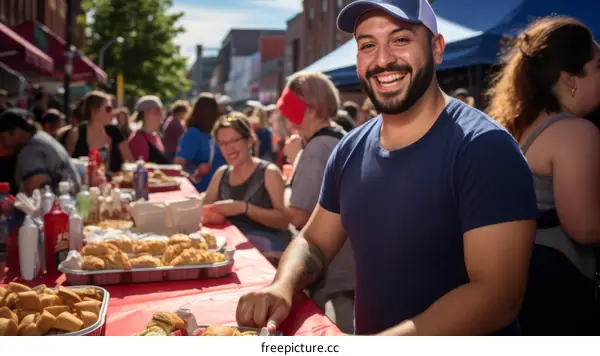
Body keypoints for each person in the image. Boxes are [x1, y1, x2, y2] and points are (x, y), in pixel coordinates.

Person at [236, 0, 539, 336]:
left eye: (401, 40)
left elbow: (498, 296)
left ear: (437, 49)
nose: (382, 60)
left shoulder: (484, 148)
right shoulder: (350, 148)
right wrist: (282, 285)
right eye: (368, 45)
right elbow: (315, 241)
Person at [486, 16, 600, 335]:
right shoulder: (575, 132)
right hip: (557, 290)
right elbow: (585, 226)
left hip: (518, 284)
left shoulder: (521, 127)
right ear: (570, 78)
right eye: (599, 67)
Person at [277, 71, 355, 333]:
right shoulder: (339, 135)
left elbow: (297, 215)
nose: (288, 122)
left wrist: (288, 172)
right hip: (353, 260)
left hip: (336, 265)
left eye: (291, 112)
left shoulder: (315, 149)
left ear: (310, 110)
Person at [203, 112, 289, 255]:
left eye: (234, 141)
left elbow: (284, 221)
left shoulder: (269, 172)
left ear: (249, 141)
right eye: (223, 143)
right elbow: (204, 212)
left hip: (269, 253)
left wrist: (244, 208)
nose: (229, 148)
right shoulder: (221, 174)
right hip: (231, 250)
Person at [0, 109, 80, 195]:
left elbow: (36, 195)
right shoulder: (41, 138)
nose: (3, 143)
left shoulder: (29, 152)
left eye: (3, 138)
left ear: (17, 132)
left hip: (58, 204)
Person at [65, 91, 134, 174]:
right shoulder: (76, 134)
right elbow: (65, 164)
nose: (112, 112)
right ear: (94, 110)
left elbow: (130, 161)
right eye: (108, 109)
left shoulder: (114, 131)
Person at [174, 93, 226, 192]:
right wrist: (195, 174)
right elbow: (179, 165)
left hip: (217, 191)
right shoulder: (193, 134)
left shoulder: (212, 134)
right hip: (199, 192)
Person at [128, 95, 170, 164]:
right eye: (157, 110)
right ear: (146, 112)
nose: (161, 114)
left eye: (161, 110)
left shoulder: (155, 135)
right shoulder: (138, 138)